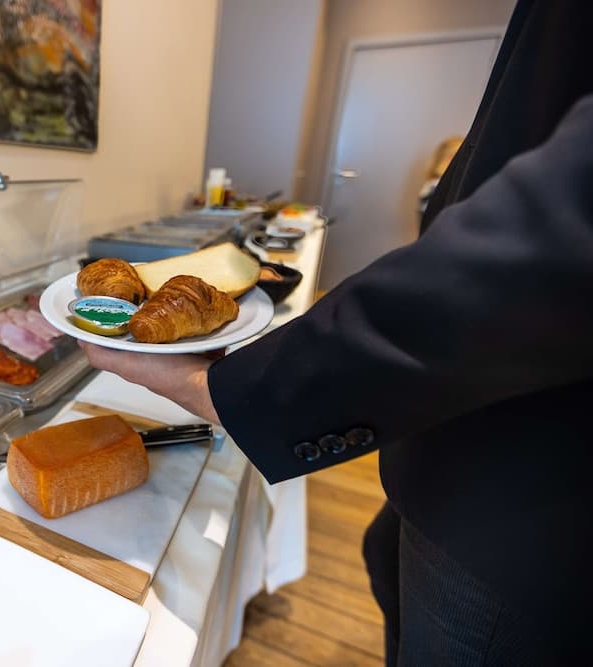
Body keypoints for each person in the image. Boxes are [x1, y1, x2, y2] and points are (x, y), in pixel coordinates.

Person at [80, 1, 593, 663]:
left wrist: (225, 390)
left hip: (525, 500)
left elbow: (549, 242)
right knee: (387, 567)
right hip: (447, 445)